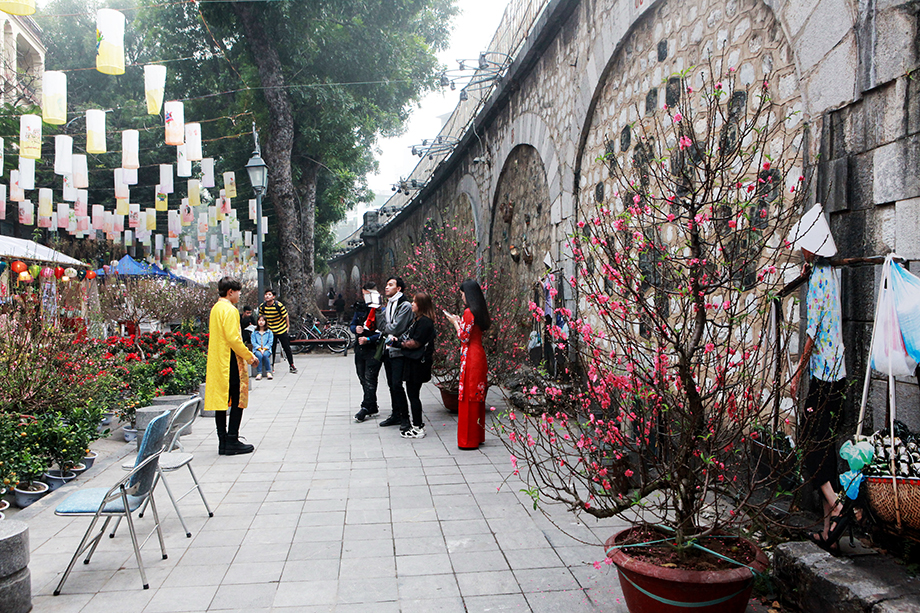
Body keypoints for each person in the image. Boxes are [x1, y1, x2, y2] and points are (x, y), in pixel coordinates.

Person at [788, 204, 847, 552]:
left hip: (823, 375)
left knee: (811, 445)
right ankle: (829, 534)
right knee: (825, 446)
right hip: (837, 374)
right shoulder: (830, 273)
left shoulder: (819, 279)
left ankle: (837, 506)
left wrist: (797, 374)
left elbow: (812, 332)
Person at [204, 276, 258, 455]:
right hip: (230, 361)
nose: (239, 295)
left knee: (221, 402)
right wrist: (249, 356)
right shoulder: (230, 310)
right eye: (238, 292)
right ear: (230, 292)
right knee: (237, 399)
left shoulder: (216, 308)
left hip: (218, 361)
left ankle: (223, 441)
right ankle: (232, 438)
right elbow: (234, 339)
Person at [445, 279, 490, 450]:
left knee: (469, 396)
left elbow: (464, 337)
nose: (462, 297)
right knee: (476, 396)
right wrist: (460, 321)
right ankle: (477, 436)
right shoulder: (478, 312)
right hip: (478, 354)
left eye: (463, 294)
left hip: (470, 355)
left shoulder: (469, 312)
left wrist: (455, 323)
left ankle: (468, 439)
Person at [392, 291, 437, 439]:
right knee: (413, 394)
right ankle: (417, 425)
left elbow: (416, 343)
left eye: (415, 302)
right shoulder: (418, 320)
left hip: (418, 363)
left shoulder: (425, 322)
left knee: (413, 394)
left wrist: (397, 343)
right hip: (414, 361)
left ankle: (418, 426)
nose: (412, 304)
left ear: (422, 305)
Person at [379, 276, 414, 431]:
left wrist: (386, 327)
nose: (387, 287)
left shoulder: (404, 305)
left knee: (397, 384)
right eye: (386, 284)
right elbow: (384, 326)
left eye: (390, 285)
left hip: (399, 350)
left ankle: (405, 418)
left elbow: (395, 328)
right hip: (388, 348)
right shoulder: (389, 304)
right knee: (391, 384)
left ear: (398, 289)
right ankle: (395, 414)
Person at [352, 282, 383, 423]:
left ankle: (365, 407)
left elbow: (383, 331)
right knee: (362, 377)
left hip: (373, 348)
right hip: (360, 348)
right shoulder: (361, 308)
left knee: (370, 378)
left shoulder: (379, 309)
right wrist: (355, 329)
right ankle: (372, 405)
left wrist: (369, 338)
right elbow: (352, 324)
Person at [259, 289, 297, 374]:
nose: (267, 296)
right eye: (266, 294)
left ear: (273, 297)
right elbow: (261, 318)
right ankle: (271, 366)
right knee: (271, 349)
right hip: (270, 331)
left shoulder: (278, 305)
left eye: (269, 294)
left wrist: (288, 326)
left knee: (286, 347)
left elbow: (285, 315)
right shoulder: (262, 306)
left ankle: (291, 365)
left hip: (281, 329)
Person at [251, 315, 274, 381]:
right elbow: (253, 342)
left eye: (263, 320)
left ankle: (268, 372)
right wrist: (259, 348)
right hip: (257, 349)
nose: (261, 322)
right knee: (259, 356)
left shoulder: (269, 332)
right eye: (259, 320)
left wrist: (264, 349)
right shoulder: (254, 332)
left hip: (267, 349)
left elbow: (270, 342)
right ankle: (259, 373)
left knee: (265, 355)